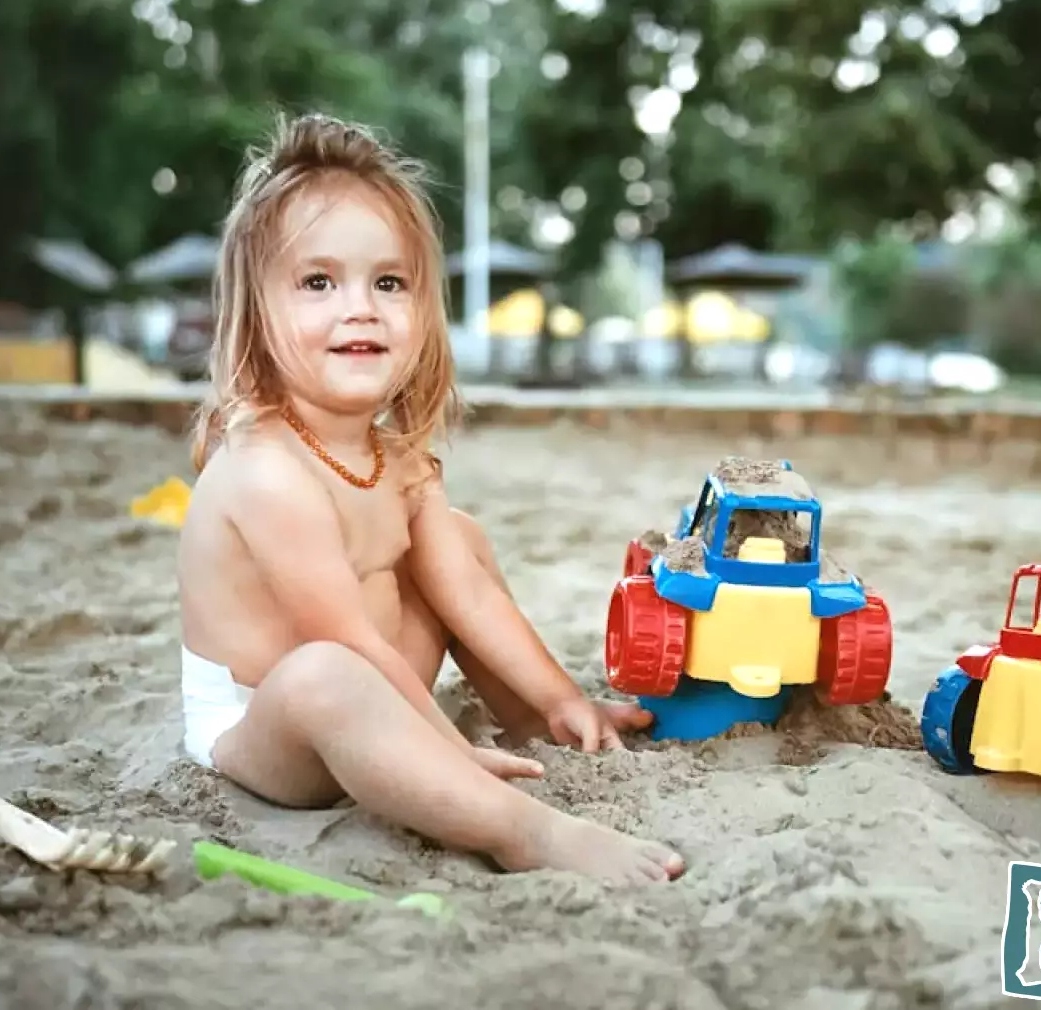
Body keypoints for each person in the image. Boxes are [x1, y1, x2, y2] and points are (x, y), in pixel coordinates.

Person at [174, 112, 684, 884]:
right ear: (259, 310)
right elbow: (348, 647)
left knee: (461, 540)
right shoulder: (267, 472)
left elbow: (465, 593)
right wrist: (451, 757)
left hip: (375, 688)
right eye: (318, 282)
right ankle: (523, 832)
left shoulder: (401, 459)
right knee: (323, 673)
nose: (361, 307)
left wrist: (558, 698)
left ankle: (527, 724)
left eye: (389, 282)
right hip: (267, 726)